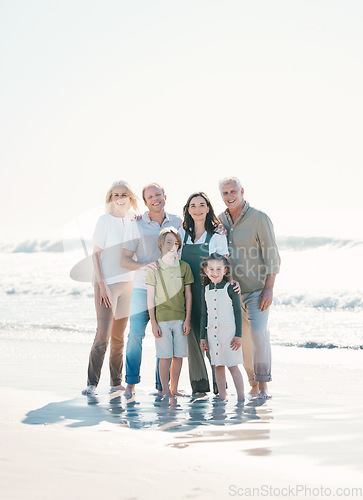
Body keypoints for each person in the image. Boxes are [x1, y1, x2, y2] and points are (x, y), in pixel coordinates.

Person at [218, 177, 281, 398]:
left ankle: (263, 384)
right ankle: (253, 383)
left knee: (257, 333)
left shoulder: (259, 218)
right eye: (225, 193)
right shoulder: (220, 221)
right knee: (242, 340)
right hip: (233, 294)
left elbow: (272, 255)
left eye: (233, 191)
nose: (229, 196)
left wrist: (269, 288)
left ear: (242, 191)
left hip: (257, 290)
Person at [121, 183, 182, 399]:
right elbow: (124, 259)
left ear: (165, 196)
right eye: (150, 197)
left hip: (168, 292)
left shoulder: (177, 221)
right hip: (141, 288)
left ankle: (161, 385)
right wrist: (143, 265)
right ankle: (130, 383)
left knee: (163, 336)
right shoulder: (135, 224)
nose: (155, 199)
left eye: (158, 194)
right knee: (135, 335)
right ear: (145, 202)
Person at [82, 181, 138, 396]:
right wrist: (102, 284)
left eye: (124, 194)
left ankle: (116, 382)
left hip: (129, 284)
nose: (120, 197)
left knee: (119, 337)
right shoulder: (104, 220)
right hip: (106, 285)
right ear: (111, 198)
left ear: (130, 197)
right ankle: (91, 382)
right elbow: (96, 254)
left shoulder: (134, 219)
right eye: (116, 195)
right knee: (103, 335)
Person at [179, 192, 229, 395]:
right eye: (193, 205)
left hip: (209, 295)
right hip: (187, 294)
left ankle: (220, 387)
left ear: (208, 208)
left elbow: (225, 267)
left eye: (202, 205)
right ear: (188, 210)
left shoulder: (217, 236)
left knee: (211, 339)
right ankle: (199, 387)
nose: (197, 209)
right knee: (192, 340)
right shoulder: (181, 235)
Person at [146, 227, 193, 396]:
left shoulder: (184, 267)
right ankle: (165, 390)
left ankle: (174, 389)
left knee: (178, 356)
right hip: (162, 320)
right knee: (164, 356)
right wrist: (153, 322)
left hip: (180, 319)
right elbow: (150, 297)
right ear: (161, 244)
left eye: (176, 242)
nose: (172, 246)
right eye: (168, 242)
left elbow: (188, 295)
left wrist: (187, 319)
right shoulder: (154, 268)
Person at [200, 253, 244, 401]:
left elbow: (238, 312)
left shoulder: (230, 288)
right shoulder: (205, 289)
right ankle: (222, 396)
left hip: (229, 334)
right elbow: (204, 315)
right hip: (213, 334)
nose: (215, 273)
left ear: (225, 270)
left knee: (232, 365)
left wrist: (239, 335)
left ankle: (241, 397)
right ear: (206, 271)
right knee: (218, 366)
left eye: (219, 269)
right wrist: (202, 338)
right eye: (211, 269)